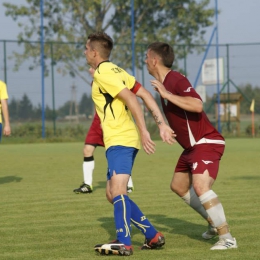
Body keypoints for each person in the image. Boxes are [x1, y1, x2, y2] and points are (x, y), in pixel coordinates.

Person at [84, 32, 175, 256]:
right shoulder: (116, 70)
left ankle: (124, 241)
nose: (85, 52)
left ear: (95, 52)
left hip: (121, 139)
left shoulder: (105, 73)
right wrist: (161, 123)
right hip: (120, 139)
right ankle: (152, 235)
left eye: (86, 49)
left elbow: (133, 98)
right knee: (111, 193)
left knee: (118, 190)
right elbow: (145, 93)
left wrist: (145, 131)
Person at [145, 42, 237, 250]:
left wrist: (167, 95)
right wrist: (165, 127)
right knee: (178, 186)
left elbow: (197, 105)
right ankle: (214, 222)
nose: (144, 61)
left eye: (146, 57)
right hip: (191, 148)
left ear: (154, 60)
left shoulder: (175, 79)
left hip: (206, 141)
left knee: (201, 186)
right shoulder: (163, 84)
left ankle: (227, 238)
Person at [73, 68, 134, 194]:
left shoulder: (111, 79)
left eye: (93, 67)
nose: (90, 69)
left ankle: (127, 183)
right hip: (97, 121)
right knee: (87, 150)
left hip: (111, 121)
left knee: (116, 154)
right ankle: (87, 184)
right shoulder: (95, 82)